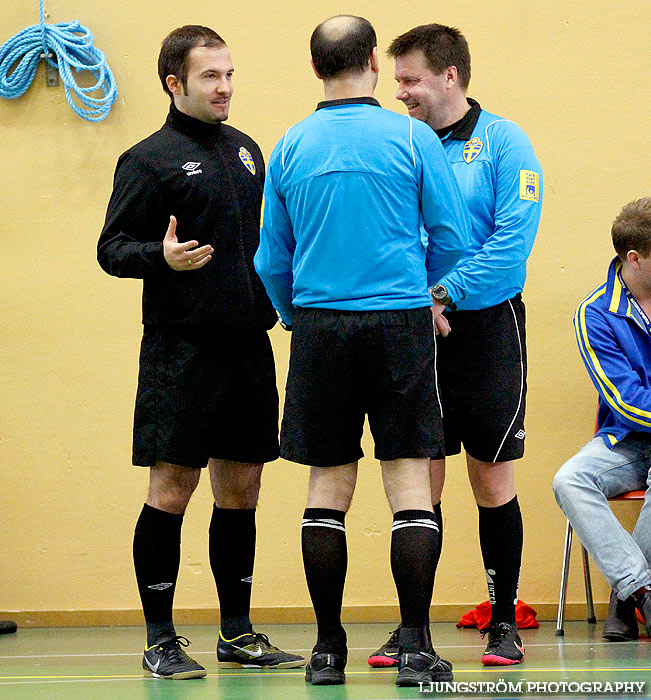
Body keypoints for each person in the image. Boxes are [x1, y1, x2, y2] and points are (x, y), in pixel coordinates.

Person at [255, 15, 471, 688]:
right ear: (373, 60)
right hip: (398, 325)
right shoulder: (410, 138)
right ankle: (414, 647)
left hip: (320, 328)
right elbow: (451, 237)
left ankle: (325, 652)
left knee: (326, 489)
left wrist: (297, 316)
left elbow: (271, 260)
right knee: (410, 487)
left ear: (316, 66)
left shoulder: (289, 146)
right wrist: (414, 288)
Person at [97, 25, 304, 679]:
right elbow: (111, 249)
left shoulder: (246, 151)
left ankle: (236, 633)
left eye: (230, 74)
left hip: (247, 345)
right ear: (174, 82)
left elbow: (265, 248)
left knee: (241, 490)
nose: (225, 87)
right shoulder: (147, 159)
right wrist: (159, 256)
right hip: (179, 351)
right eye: (211, 76)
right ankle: (160, 638)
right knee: (172, 488)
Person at [369, 24, 543, 668]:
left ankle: (504, 622)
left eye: (410, 80)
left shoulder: (505, 142)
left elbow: (511, 246)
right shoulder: (401, 144)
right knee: (422, 482)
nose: (402, 93)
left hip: (486, 329)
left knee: (491, 477)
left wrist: (442, 292)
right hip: (416, 330)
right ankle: (413, 630)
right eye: (397, 82)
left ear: (450, 76)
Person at [553, 197, 651, 642]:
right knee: (569, 480)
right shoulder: (595, 312)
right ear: (634, 258)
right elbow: (625, 401)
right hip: (628, 438)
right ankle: (641, 589)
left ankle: (625, 598)